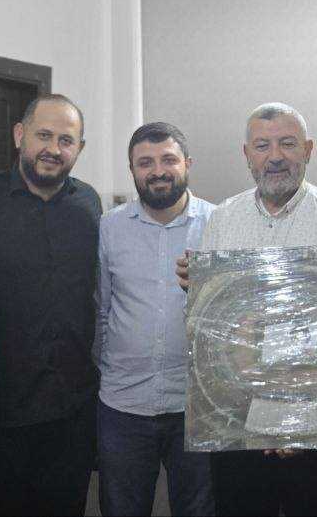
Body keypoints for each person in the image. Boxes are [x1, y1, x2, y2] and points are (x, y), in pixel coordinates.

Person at [176, 102, 317, 517]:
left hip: (315, 424)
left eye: (287, 144)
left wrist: (296, 421)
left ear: (308, 149)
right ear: (247, 155)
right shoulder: (223, 219)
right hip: (239, 422)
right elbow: (213, 325)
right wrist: (195, 286)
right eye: (262, 146)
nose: (275, 156)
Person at [0, 94, 102, 516]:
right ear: (19, 135)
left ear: (79, 148)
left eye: (66, 140)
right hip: (3, 408)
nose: (53, 149)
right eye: (44, 135)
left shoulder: (89, 203)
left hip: (73, 405)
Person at [97, 122, 216, 516]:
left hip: (196, 405)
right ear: (132, 170)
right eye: (145, 162)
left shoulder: (217, 224)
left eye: (168, 160)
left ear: (187, 164)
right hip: (124, 403)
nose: (158, 171)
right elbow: (102, 308)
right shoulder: (110, 227)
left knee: (198, 509)